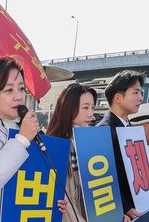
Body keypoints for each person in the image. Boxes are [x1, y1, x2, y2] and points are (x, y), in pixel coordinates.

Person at [0, 56, 65, 222]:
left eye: (21, 89)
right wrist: (22, 140)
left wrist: (55, 200)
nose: (18, 96)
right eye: (9, 90)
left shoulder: (19, 127)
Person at [95, 70, 144, 220]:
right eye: (135, 93)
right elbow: (102, 177)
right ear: (118, 97)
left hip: (139, 205)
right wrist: (125, 206)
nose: (141, 98)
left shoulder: (133, 129)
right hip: (120, 212)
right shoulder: (102, 132)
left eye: (140, 93)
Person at [46, 82, 97, 222]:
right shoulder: (55, 143)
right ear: (69, 108)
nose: (90, 113)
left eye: (92, 107)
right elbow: (63, 196)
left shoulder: (93, 140)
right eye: (85, 107)